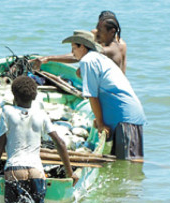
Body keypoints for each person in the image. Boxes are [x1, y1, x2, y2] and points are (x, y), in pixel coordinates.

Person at [0, 76, 77, 203]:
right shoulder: (41, 114)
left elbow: (0, 142)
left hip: (14, 170)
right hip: (37, 171)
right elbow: (60, 143)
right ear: (34, 96)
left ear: (14, 95)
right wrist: (70, 173)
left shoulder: (7, 111)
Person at [62, 30, 145, 160]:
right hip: (128, 117)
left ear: (82, 47)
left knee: (128, 164)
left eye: (73, 48)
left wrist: (100, 123)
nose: (72, 53)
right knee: (128, 165)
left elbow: (92, 96)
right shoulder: (98, 58)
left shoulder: (88, 61)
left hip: (123, 120)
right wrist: (101, 118)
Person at [31, 10, 127, 74]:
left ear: (111, 30)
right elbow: (79, 54)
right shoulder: (97, 34)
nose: (97, 33)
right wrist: (48, 58)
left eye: (100, 30)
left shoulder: (119, 46)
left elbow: (78, 56)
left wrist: (49, 58)